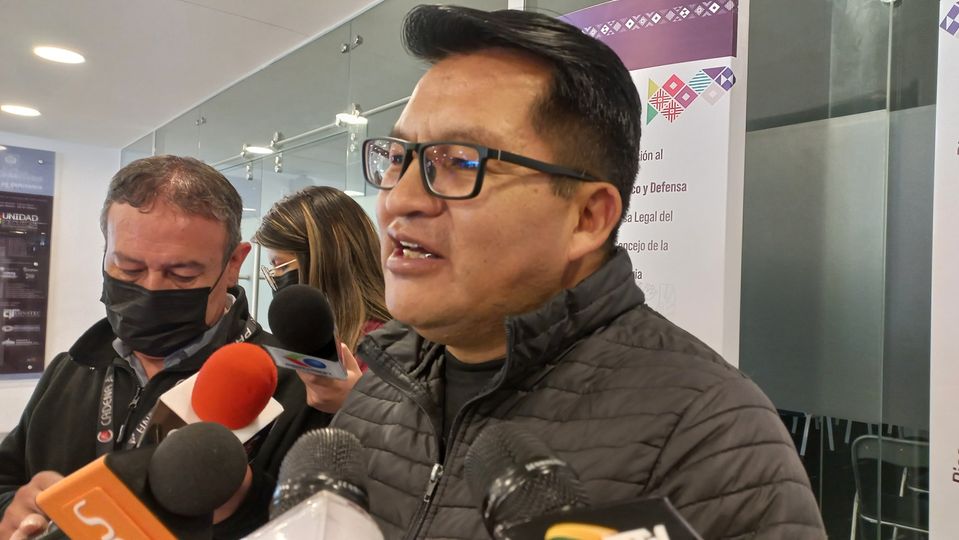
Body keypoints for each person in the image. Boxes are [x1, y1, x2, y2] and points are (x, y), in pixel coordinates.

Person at [330, 5, 826, 539]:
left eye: (460, 161)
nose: (399, 200)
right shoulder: (377, 393)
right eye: (399, 157)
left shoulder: (710, 438)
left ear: (588, 218)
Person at [0, 155, 327, 539]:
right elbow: (8, 477)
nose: (151, 288)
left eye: (182, 273)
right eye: (129, 268)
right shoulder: (71, 368)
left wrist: (239, 504)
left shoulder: (297, 388)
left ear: (234, 263)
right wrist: (12, 509)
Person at [253, 186, 390, 413]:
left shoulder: (387, 350)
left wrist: (357, 405)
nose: (275, 278)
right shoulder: (312, 345)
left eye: (281, 266)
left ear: (325, 261)